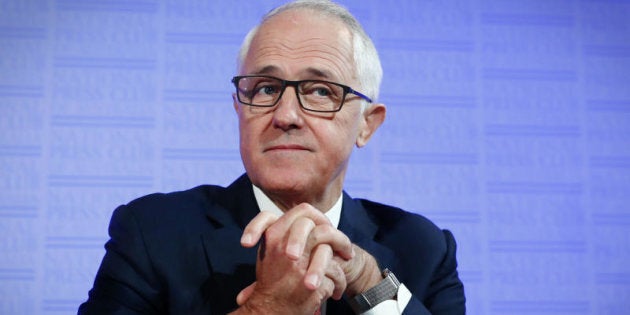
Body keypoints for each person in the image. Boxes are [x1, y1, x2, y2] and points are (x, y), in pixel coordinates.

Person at [78, 0, 466, 314]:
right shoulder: (153, 233)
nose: (286, 116)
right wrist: (265, 309)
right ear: (238, 108)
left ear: (367, 124)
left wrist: (371, 284)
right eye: (265, 89)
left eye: (319, 91)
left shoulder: (421, 248)